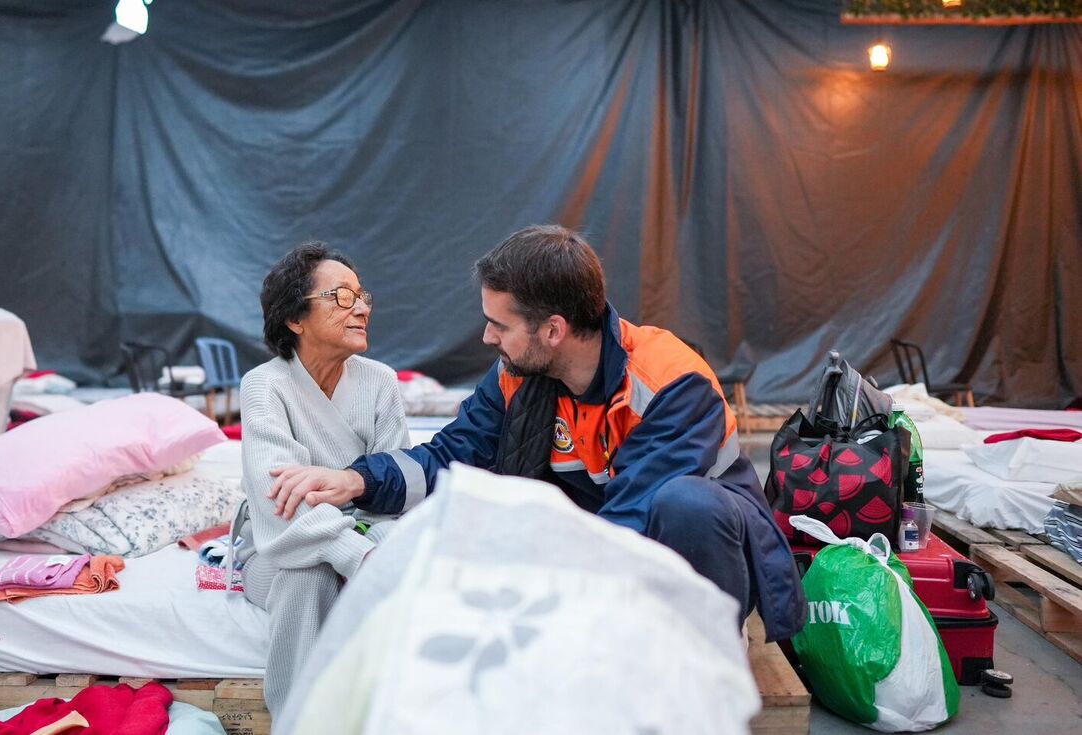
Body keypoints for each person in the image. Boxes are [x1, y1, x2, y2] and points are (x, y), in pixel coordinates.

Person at [269, 225, 805, 641]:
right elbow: (452, 456)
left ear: (553, 329)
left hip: (679, 550)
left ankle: (709, 649)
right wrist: (353, 481)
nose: (486, 336)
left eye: (499, 324)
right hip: (598, 545)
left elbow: (631, 523)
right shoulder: (517, 374)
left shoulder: (669, 380)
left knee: (688, 503)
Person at [236, 241, 409, 716]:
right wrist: (360, 557)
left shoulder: (381, 381)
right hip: (279, 547)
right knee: (308, 573)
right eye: (342, 297)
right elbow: (281, 507)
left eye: (362, 296)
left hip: (367, 531)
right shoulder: (264, 386)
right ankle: (301, 719)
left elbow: (395, 486)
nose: (362, 308)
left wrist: (374, 550)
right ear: (295, 318)